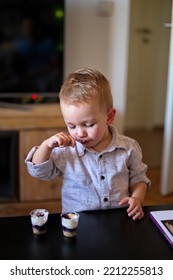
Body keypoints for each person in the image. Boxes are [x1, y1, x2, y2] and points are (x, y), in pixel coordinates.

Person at [25, 67, 151, 220]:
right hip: (77, 224)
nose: (79, 133)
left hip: (119, 221)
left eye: (88, 124)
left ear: (109, 117)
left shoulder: (128, 148)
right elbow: (39, 172)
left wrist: (137, 198)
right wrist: (46, 146)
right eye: (71, 126)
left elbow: (139, 178)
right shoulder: (66, 151)